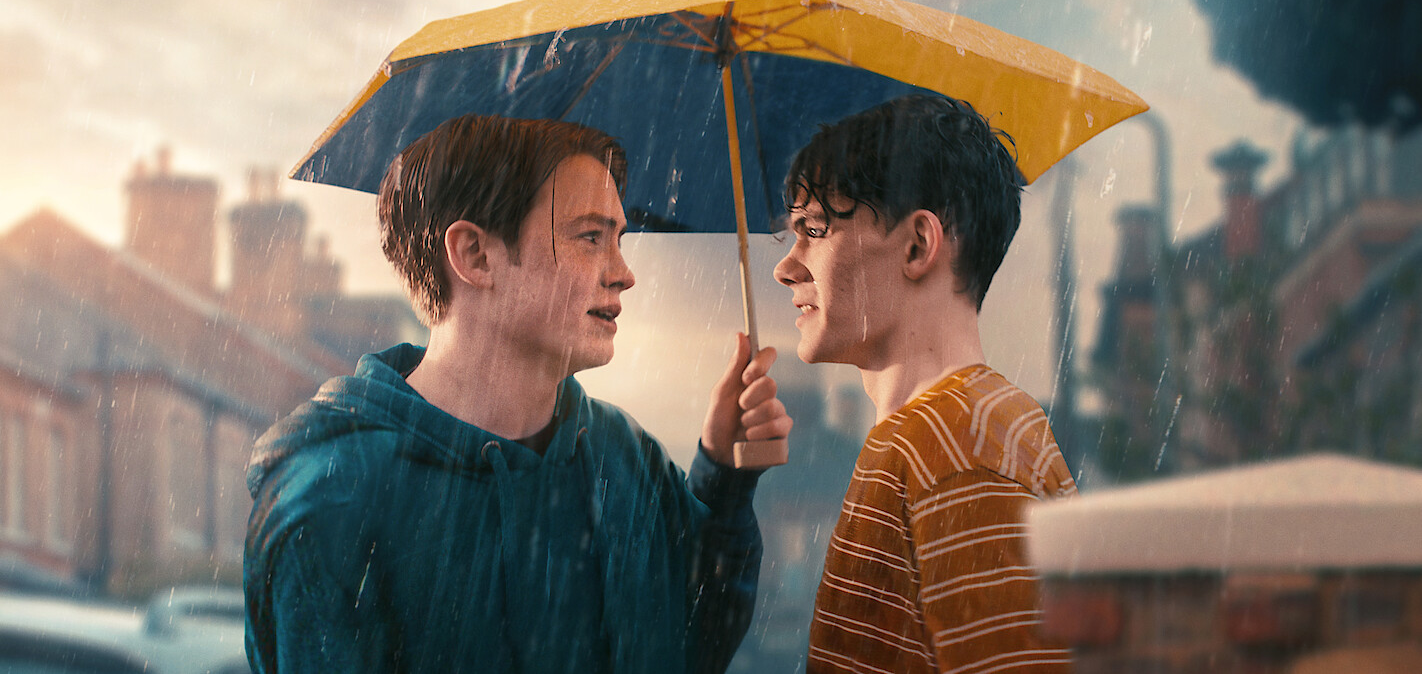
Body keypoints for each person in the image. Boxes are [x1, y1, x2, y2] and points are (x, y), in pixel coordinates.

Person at [244, 114, 792, 673]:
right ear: (475, 255)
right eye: (591, 237)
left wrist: (723, 477)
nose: (624, 273)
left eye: (619, 239)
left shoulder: (624, 456)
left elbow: (691, 647)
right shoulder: (331, 499)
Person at [772, 95, 1076, 673]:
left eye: (815, 229)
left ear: (917, 245)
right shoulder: (958, 432)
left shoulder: (955, 451)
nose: (786, 267)